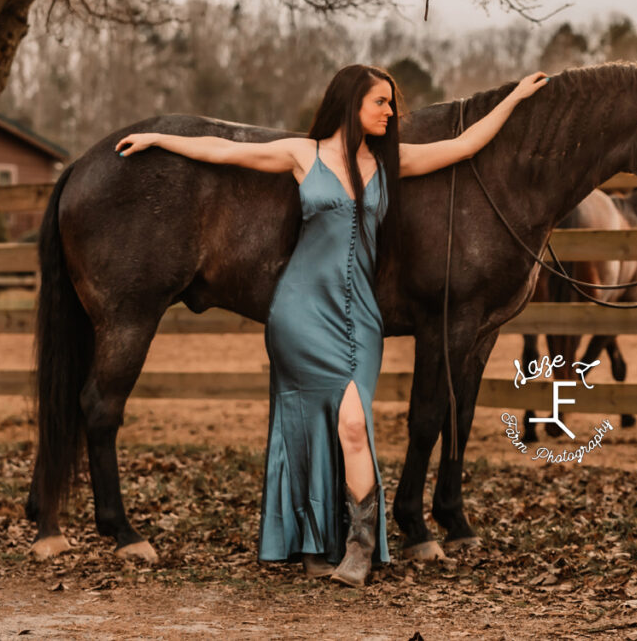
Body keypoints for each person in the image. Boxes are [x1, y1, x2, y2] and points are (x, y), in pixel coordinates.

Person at [114, 64, 548, 587]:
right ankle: (320, 545)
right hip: (299, 311)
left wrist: (517, 97)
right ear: (351, 104)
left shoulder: (391, 163)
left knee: (351, 423)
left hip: (361, 315)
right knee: (305, 426)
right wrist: (159, 138)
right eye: (381, 103)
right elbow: (224, 151)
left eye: (391, 103)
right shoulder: (304, 153)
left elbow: (466, 144)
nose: (392, 112)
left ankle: (360, 543)